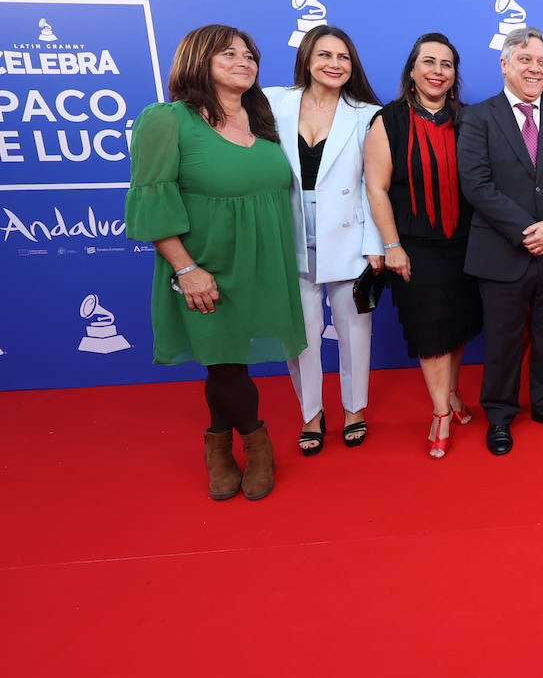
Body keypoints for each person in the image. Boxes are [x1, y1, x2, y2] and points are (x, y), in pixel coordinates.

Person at [125, 24, 305, 501]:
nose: (244, 62)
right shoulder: (167, 119)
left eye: (250, 55)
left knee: (227, 363)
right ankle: (257, 445)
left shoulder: (263, 117)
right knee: (226, 365)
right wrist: (186, 269)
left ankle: (218, 446)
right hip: (204, 264)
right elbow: (151, 199)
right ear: (198, 60)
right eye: (229, 54)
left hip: (264, 261)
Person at [457, 27, 543, 456]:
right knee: (503, 340)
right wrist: (526, 230)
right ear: (505, 64)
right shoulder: (477, 117)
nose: (535, 69)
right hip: (501, 251)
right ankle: (499, 416)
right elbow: (476, 185)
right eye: (525, 60)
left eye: (541, 62)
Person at [363, 33, 483, 459]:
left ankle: (451, 393)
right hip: (415, 245)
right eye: (428, 62)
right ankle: (440, 413)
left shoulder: (470, 119)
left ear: (454, 76)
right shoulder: (387, 120)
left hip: (468, 242)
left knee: (456, 325)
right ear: (412, 71)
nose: (437, 71)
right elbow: (376, 188)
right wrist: (391, 244)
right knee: (431, 331)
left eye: (446, 64)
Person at [264, 25, 383, 454]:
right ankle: (311, 415)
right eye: (325, 55)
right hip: (289, 230)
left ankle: (355, 409)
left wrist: (377, 243)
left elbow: (376, 185)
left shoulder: (368, 113)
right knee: (301, 333)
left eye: (343, 57)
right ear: (307, 60)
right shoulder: (274, 101)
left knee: (354, 330)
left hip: (349, 234)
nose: (334, 64)